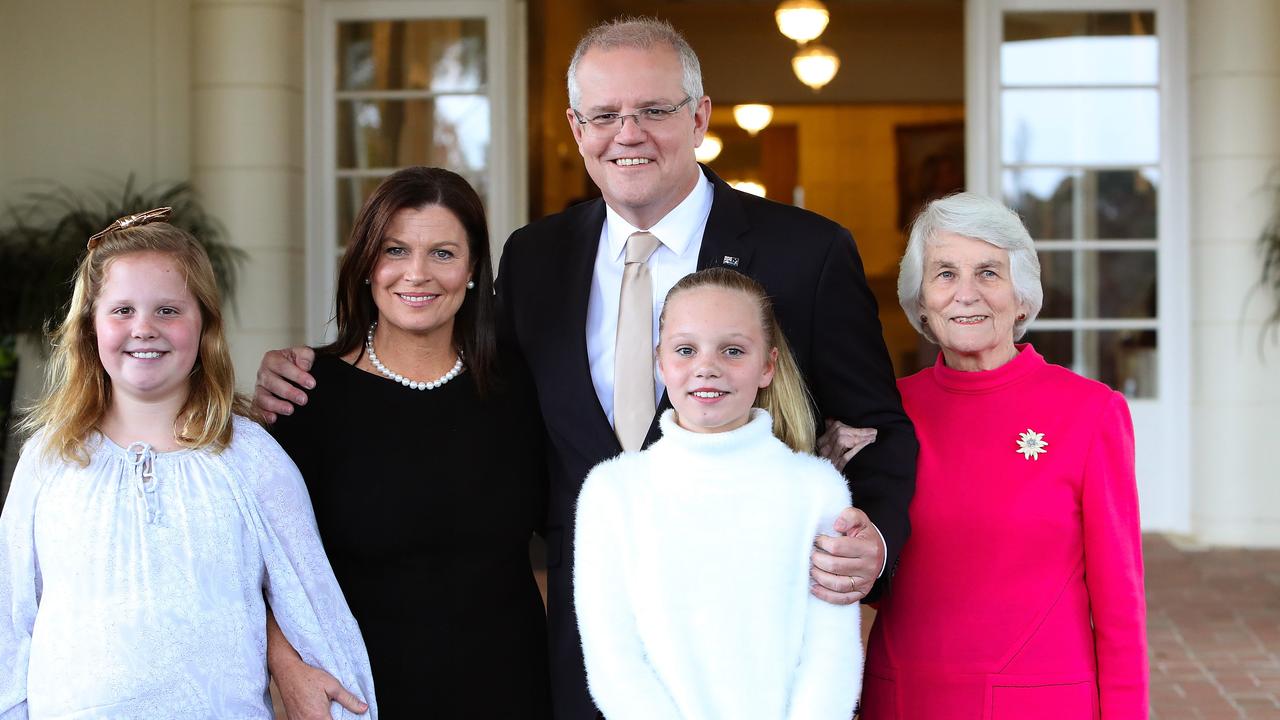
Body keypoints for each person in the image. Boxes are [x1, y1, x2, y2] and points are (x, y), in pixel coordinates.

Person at [254, 18, 916, 718]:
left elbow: (878, 430)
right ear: (576, 128)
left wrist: (871, 539)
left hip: (748, 641)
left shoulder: (805, 254)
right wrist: (316, 372)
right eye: (605, 115)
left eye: (654, 110)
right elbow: (472, 411)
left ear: (699, 117)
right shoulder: (537, 256)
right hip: (575, 654)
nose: (627, 134)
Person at [0, 211, 375, 718]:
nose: (144, 328)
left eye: (169, 310)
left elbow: (314, 608)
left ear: (205, 324)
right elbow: (11, 618)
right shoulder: (51, 457)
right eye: (122, 310)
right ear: (89, 327)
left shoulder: (249, 457)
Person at [823, 192, 1148, 718]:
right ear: (921, 304)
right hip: (907, 697)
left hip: (1044, 702)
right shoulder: (885, 414)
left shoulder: (1090, 412)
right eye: (945, 274)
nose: (966, 294)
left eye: (989, 273)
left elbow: (1120, 607)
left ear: (1022, 297)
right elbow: (869, 574)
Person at [265, 167, 550, 718]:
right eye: (395, 250)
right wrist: (289, 670)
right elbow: (260, 565)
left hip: (512, 690)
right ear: (367, 264)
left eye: (443, 253)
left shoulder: (520, 387)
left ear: (471, 270)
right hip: (363, 696)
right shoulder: (305, 396)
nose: (416, 274)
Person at [574, 268, 862, 720]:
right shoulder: (613, 492)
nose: (707, 367)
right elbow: (614, 662)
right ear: (660, 362)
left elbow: (831, 656)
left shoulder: (815, 488)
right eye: (686, 349)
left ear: (767, 366)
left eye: (732, 350)